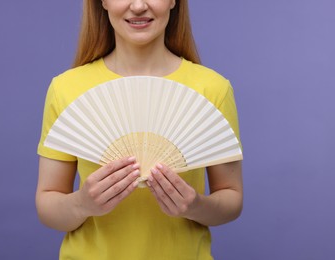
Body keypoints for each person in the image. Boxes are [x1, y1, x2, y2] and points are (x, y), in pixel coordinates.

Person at [36, 0, 243, 259]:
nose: (138, 6)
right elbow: (47, 204)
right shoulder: (66, 89)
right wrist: (82, 204)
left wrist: (195, 206)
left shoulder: (212, 89)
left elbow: (232, 200)